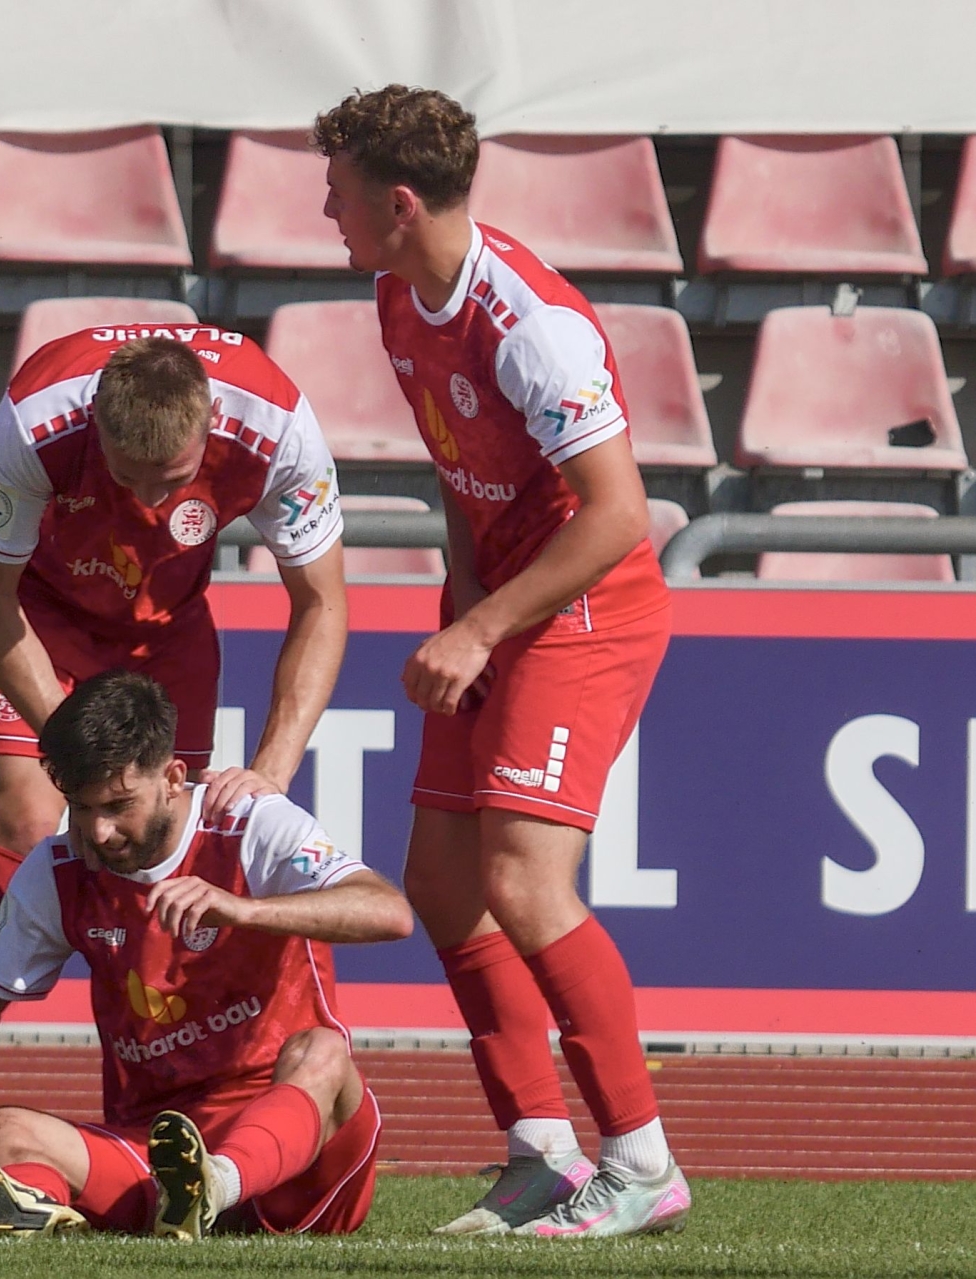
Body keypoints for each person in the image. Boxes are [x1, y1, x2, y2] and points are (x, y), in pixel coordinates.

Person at [315, 85, 689, 1239]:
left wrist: (483, 627)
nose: (325, 212)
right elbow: (457, 463)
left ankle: (642, 1162)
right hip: (494, 598)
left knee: (525, 881)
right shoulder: (396, 291)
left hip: (583, 605)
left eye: (338, 193)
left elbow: (618, 514)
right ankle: (542, 1152)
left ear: (400, 203)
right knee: (441, 882)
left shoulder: (532, 326)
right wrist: (467, 594)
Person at [0, 327, 351, 1156]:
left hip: (168, 627)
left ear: (210, 426)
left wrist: (269, 771)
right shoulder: (38, 418)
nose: (152, 503)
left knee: (166, 843)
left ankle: (182, 1116)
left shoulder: (276, 423)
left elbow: (323, 602)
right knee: (19, 821)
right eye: (128, 478)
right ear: (96, 426)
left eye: (174, 480)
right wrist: (71, 743)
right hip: (37, 612)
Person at [0, 670, 411, 1239]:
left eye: (118, 805)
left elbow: (389, 913)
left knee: (323, 1052)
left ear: (173, 777)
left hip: (299, 1162)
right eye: (82, 806)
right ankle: (45, 1213)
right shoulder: (59, 869)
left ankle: (216, 1184)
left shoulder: (249, 825)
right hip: (159, 1155)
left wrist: (244, 910)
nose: (98, 832)